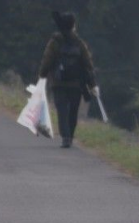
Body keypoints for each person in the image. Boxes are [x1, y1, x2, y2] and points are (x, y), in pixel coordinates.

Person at [38, 11, 96, 148]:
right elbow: (88, 64)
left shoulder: (54, 42)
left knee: (62, 110)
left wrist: (42, 76)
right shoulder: (79, 43)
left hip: (58, 83)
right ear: (73, 25)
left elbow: (47, 60)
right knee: (73, 111)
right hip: (76, 84)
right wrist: (92, 83)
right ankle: (70, 135)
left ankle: (65, 137)